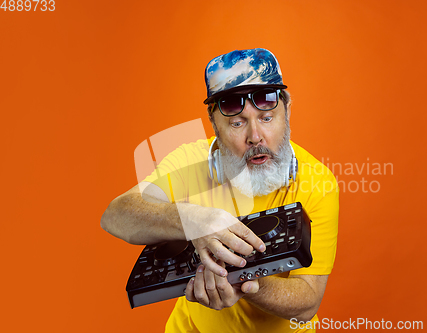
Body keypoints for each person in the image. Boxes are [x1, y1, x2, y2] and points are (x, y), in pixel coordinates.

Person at [101, 48, 339, 332]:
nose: (255, 137)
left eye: (267, 118)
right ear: (214, 123)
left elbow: (308, 302)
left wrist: (244, 279)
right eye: (237, 123)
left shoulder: (317, 183)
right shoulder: (192, 162)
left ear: (286, 111)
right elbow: (116, 215)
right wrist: (192, 220)